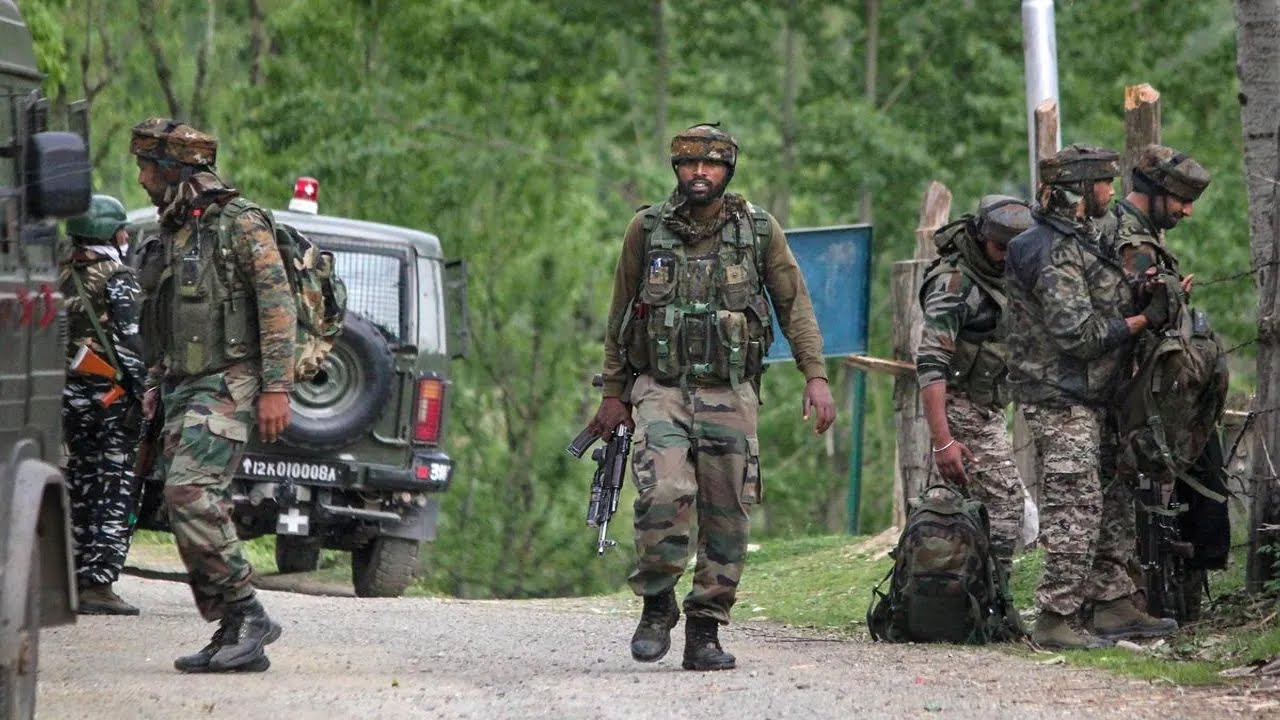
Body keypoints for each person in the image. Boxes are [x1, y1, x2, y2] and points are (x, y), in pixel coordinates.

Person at [588, 123, 836, 671]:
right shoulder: (646, 230)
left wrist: (815, 376)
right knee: (662, 492)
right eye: (689, 163)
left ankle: (705, 629)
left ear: (728, 170)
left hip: (731, 391)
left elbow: (794, 306)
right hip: (661, 388)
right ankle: (658, 602)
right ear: (676, 168)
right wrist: (614, 393)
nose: (700, 172)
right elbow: (619, 315)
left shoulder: (758, 231)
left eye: (712, 164)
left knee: (727, 515)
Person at [130, 118, 295, 673]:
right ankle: (233, 628)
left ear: (174, 169)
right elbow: (166, 317)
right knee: (183, 502)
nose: (141, 178)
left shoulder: (239, 223)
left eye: (147, 167)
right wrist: (155, 383)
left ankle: (248, 613)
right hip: (181, 382)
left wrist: (277, 387)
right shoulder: (173, 229)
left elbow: (277, 306)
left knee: (190, 491)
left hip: (230, 378)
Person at [1004, 144, 1179, 649]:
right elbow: (1076, 335)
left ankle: (1110, 603)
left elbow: (1103, 295)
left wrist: (1147, 292)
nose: (1110, 191)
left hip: (1094, 395)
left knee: (1113, 498)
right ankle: (1055, 618)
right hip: (1060, 397)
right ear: (1080, 189)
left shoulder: (1080, 238)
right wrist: (1142, 320)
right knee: (1075, 506)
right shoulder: (1046, 248)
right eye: (1103, 183)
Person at [915, 195, 1034, 625]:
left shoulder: (1003, 273)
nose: (1007, 258)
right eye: (1001, 249)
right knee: (1005, 502)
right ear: (982, 238)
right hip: (960, 406)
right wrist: (943, 441)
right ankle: (994, 603)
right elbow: (931, 364)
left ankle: (961, 603)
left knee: (965, 508)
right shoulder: (955, 284)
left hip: (986, 407)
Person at [61, 194, 148, 615]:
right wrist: (145, 390)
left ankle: (68, 576)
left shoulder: (57, 274)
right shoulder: (118, 279)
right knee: (112, 488)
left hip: (65, 398)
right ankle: (97, 584)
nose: (126, 236)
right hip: (109, 400)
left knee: (76, 484)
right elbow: (131, 343)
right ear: (111, 233)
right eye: (122, 230)